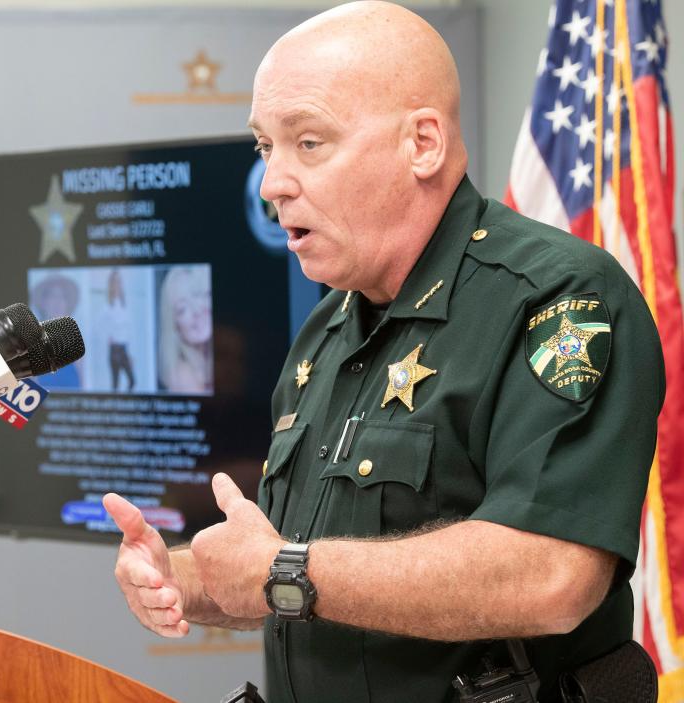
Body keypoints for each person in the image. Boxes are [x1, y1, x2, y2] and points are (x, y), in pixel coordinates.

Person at [103, 2, 665, 701]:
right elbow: (302, 554)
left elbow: (551, 575)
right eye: (264, 147)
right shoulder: (326, 330)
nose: (273, 182)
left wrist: (282, 570)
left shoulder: (555, 297)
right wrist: (186, 576)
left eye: (308, 143)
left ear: (423, 143)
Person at [157, 265, 214, 394]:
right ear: (175, 326)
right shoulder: (182, 375)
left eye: (200, 296)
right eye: (182, 309)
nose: (196, 311)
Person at [105, 268, 136, 392]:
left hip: (124, 349)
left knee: (132, 381)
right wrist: (108, 336)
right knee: (115, 385)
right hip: (114, 349)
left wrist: (131, 354)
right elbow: (101, 328)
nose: (117, 285)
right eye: (115, 282)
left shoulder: (126, 305)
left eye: (119, 281)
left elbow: (130, 330)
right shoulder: (107, 307)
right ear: (111, 285)